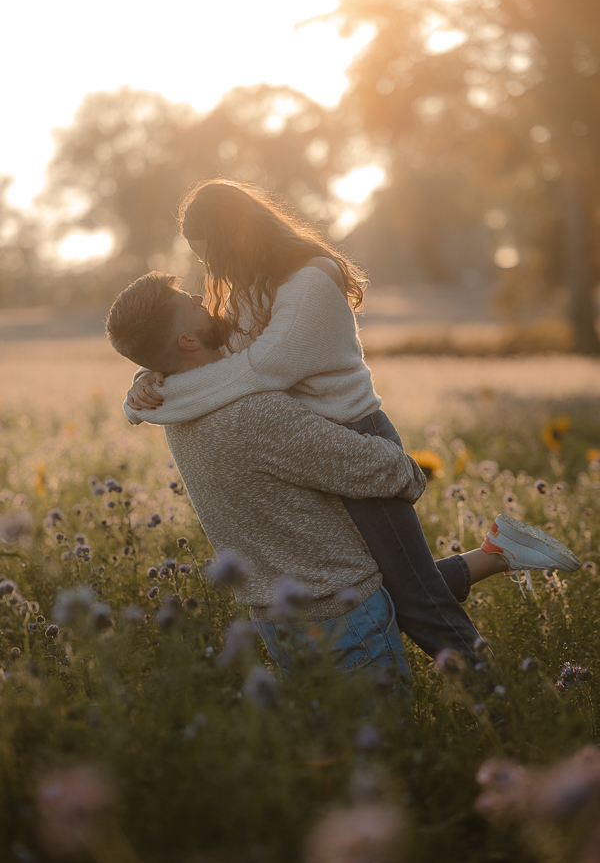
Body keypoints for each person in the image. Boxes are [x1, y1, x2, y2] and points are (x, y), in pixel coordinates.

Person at [122, 180, 580, 664]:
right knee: (373, 590)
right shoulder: (246, 292)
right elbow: (208, 356)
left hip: (352, 440)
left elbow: (258, 370)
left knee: (419, 604)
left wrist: (159, 399)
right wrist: (149, 376)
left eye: (210, 253)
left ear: (236, 234)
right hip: (301, 448)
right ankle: (498, 553)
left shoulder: (311, 281)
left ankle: (502, 707)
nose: (209, 269)